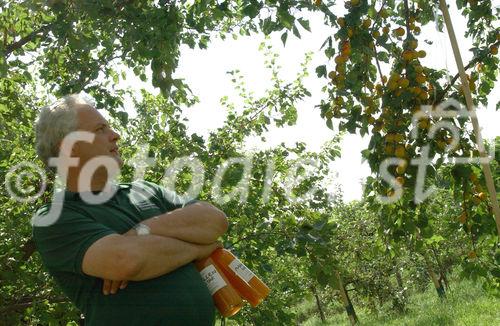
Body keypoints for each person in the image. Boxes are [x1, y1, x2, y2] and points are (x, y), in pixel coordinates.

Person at [32, 94, 228, 325]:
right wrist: (199, 248)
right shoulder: (54, 217)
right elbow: (127, 260)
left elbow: (215, 220)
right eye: (101, 129)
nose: (116, 135)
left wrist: (140, 232)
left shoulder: (145, 190)